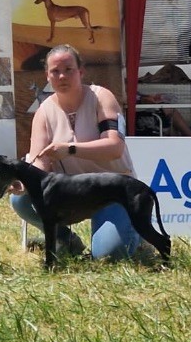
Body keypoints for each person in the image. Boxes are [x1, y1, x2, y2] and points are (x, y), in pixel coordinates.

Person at [8, 44, 145, 260]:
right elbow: (39, 161)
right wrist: (24, 182)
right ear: (47, 75)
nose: (62, 76)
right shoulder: (43, 113)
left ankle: (139, 234)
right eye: (55, 71)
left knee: (107, 257)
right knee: (21, 200)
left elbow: (115, 148)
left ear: (81, 71)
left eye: (68, 69)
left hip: (114, 194)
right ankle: (65, 240)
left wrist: (71, 149)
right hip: (72, 194)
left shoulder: (102, 97)